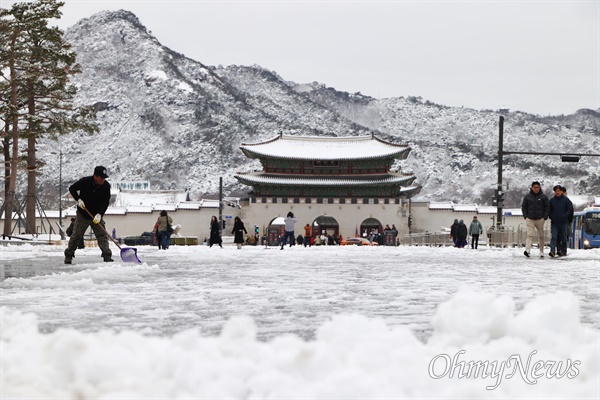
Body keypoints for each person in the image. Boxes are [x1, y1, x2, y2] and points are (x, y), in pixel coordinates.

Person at [64, 166, 112, 264]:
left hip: (96, 216)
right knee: (76, 235)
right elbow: (72, 188)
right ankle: (69, 255)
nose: (103, 180)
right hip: (83, 214)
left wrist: (100, 214)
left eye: (104, 178)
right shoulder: (85, 181)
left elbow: (105, 202)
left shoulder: (106, 186)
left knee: (102, 235)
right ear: (95, 176)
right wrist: (78, 200)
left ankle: (107, 255)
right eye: (101, 177)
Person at [521, 181, 550, 258]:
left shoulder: (543, 197)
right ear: (532, 188)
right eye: (534, 187)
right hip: (530, 218)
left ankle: (541, 251)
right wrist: (525, 216)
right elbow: (524, 207)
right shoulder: (527, 197)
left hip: (540, 219)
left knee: (541, 235)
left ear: (539, 188)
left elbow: (547, 207)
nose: (536, 189)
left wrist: (544, 217)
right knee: (529, 235)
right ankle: (527, 250)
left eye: (537, 187)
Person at [549, 185, 574, 258]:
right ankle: (552, 251)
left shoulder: (566, 200)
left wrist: (565, 216)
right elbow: (549, 210)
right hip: (554, 222)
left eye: (559, 191)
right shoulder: (551, 201)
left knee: (563, 237)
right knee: (554, 237)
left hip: (563, 222)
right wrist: (551, 216)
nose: (557, 192)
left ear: (561, 191)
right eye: (556, 191)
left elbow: (570, 209)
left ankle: (564, 251)